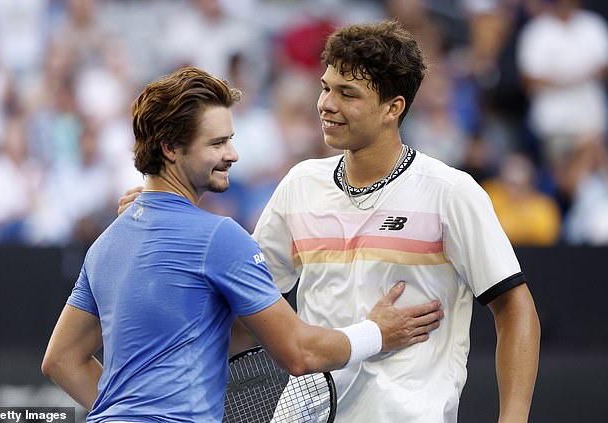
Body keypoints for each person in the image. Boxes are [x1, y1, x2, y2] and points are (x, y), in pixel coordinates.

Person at [117, 21, 541, 422]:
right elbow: (245, 299)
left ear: (394, 107)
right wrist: (168, 215)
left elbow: (515, 307)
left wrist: (513, 418)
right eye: (325, 88)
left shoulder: (451, 192)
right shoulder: (301, 183)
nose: (327, 104)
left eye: (348, 93)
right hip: (303, 414)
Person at [42, 66, 445, 423]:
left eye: (230, 139)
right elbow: (299, 353)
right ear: (169, 148)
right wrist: (377, 332)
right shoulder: (219, 236)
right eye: (216, 143)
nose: (233, 154)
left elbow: (61, 360)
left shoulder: (107, 242)